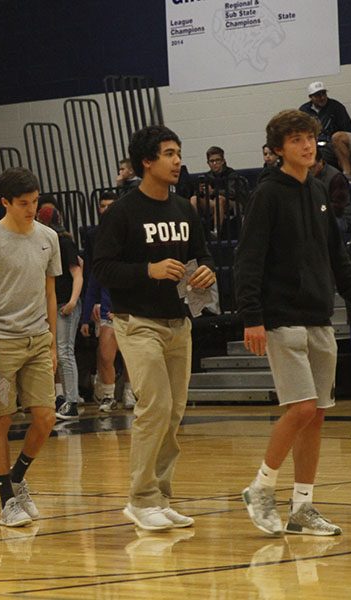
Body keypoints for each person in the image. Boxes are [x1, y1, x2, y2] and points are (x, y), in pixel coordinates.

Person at [236, 109, 351, 536]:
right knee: (300, 407)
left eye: (310, 138)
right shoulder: (266, 195)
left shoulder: (319, 190)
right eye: (297, 139)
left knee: (317, 414)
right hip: (283, 318)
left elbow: (338, 260)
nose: (307, 145)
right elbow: (248, 259)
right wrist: (252, 317)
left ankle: (302, 507)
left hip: (319, 317)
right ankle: (261, 487)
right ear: (279, 148)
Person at [93, 125, 216, 531]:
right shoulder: (124, 212)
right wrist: (149, 269)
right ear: (147, 162)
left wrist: (206, 275)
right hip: (137, 322)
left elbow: (202, 256)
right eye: (168, 153)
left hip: (179, 321)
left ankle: (161, 497)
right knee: (155, 406)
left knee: (174, 411)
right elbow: (103, 268)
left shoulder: (185, 209)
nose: (177, 160)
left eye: (179, 152)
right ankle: (140, 498)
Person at [0, 167, 61, 527]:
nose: (31, 209)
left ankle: (18, 477)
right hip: (1, 341)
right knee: (0, 419)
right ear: (5, 202)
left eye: (35, 202)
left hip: (38, 339)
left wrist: (52, 342)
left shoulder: (48, 237)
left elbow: (51, 293)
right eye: (24, 203)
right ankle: (6, 499)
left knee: (46, 417)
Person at [80, 191, 135, 411]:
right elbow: (93, 281)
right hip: (106, 308)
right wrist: (85, 317)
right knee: (104, 354)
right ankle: (108, 395)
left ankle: (130, 393)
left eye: (110, 205)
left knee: (130, 354)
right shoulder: (96, 238)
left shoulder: (131, 235)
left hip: (129, 308)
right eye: (103, 206)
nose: (106, 209)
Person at [34, 201, 83, 420]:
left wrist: (73, 301)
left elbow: (77, 273)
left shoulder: (64, 242)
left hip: (65, 304)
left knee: (64, 351)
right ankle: (64, 398)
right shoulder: (48, 243)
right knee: (56, 352)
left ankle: (72, 401)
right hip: (56, 305)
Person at [298, 81, 351, 166]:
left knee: (320, 156)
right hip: (312, 145)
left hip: (333, 145)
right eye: (317, 95)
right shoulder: (304, 111)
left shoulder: (336, 107)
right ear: (310, 97)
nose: (322, 97)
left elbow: (349, 131)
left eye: (323, 94)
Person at [311, 147, 351, 239]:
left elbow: (338, 208)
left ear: (320, 162)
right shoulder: (306, 175)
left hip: (338, 217)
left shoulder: (336, 177)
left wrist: (316, 212)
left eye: (312, 167)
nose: (309, 170)